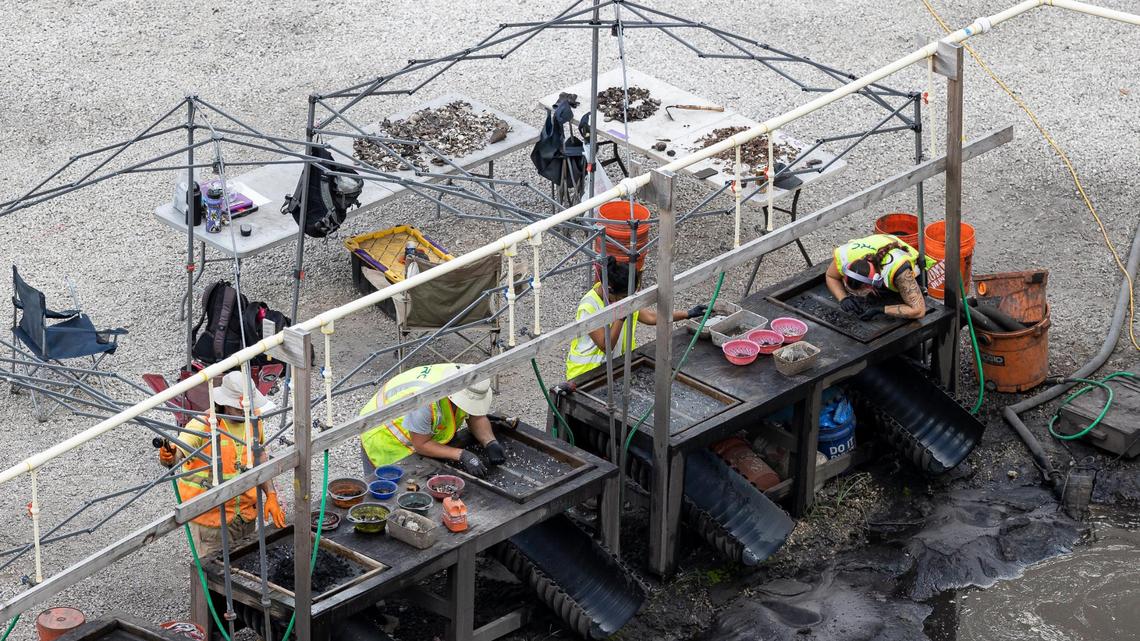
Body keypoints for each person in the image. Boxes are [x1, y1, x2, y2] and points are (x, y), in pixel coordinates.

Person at [158, 371, 285, 557]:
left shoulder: (254, 420)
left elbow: (260, 458)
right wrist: (168, 455)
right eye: (238, 409)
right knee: (215, 577)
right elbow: (177, 453)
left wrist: (271, 495)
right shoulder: (203, 425)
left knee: (245, 567)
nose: (244, 413)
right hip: (212, 521)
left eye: (247, 408)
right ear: (224, 403)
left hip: (245, 516)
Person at [566, 256, 708, 380]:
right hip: (586, 373)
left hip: (614, 368)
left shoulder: (618, 300)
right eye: (623, 297)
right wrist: (621, 317)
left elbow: (651, 317)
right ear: (609, 289)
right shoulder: (589, 307)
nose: (626, 300)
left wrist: (687, 313)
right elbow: (605, 345)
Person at [359, 363, 499, 478]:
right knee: (388, 490)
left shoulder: (466, 376)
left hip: (418, 431)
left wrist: (490, 442)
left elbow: (475, 415)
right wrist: (462, 455)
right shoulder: (425, 399)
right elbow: (421, 444)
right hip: (383, 435)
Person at [825, 233, 932, 321]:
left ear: (874, 282)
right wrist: (843, 298)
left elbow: (919, 311)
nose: (858, 295)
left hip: (913, 273)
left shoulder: (899, 271)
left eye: (859, 292)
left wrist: (879, 310)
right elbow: (831, 276)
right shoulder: (846, 256)